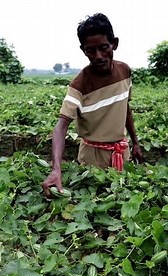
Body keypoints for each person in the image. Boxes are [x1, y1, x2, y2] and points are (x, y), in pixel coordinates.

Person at [43, 13, 143, 197]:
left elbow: (125, 107)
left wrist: (135, 143)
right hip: (92, 160)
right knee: (94, 204)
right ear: (83, 50)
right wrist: (56, 168)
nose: (98, 56)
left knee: (123, 201)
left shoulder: (124, 71)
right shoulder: (80, 85)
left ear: (114, 44)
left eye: (104, 48)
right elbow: (61, 126)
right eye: (91, 50)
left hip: (122, 152)